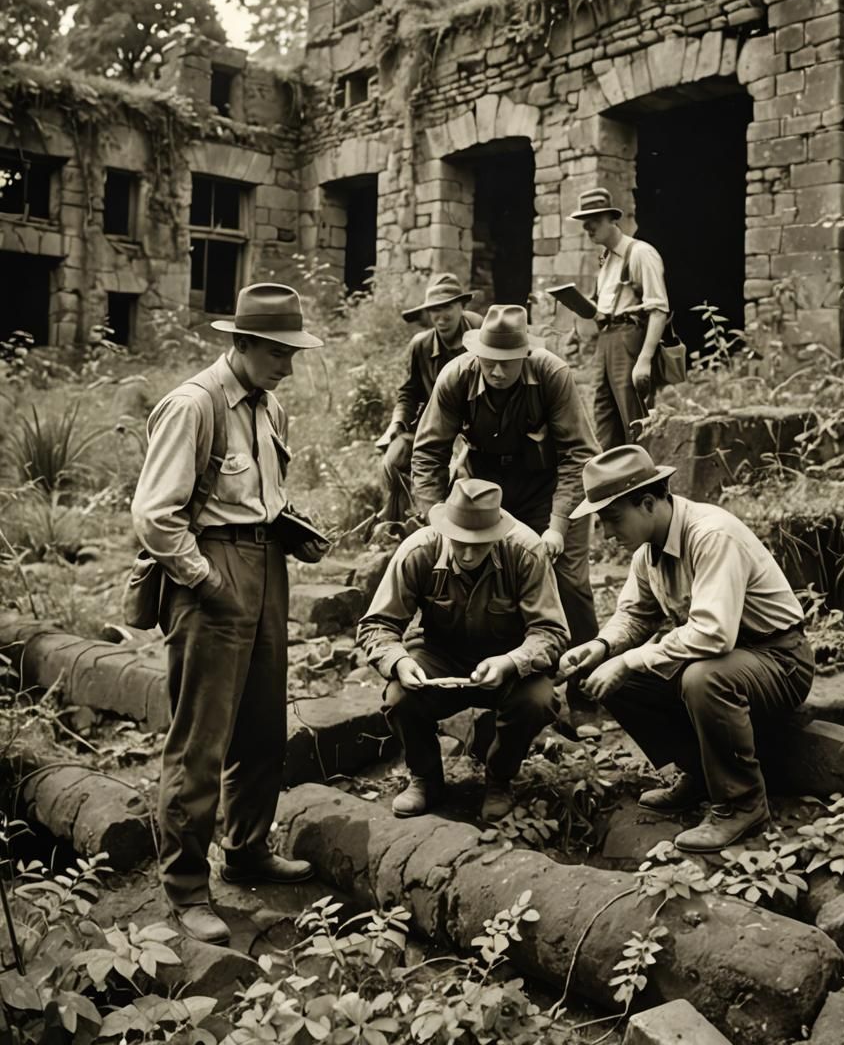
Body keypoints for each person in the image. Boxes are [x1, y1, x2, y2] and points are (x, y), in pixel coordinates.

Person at [131, 283, 323, 945]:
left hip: (265, 565)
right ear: (242, 344)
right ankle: (186, 890)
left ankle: (246, 847)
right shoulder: (193, 405)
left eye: (291, 353)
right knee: (200, 741)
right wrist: (205, 579)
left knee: (264, 728)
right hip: (210, 570)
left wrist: (291, 528)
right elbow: (155, 515)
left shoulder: (269, 407)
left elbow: (260, 495)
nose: (288, 366)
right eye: (278, 353)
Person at [557, 445, 814, 852]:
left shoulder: (710, 534)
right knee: (614, 680)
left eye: (611, 518)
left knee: (702, 677)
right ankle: (699, 775)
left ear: (646, 503)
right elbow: (635, 616)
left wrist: (629, 658)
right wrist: (602, 646)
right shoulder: (648, 552)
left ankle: (742, 803)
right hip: (724, 660)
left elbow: (714, 635)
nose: (607, 533)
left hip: (778, 659)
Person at [357, 478, 568, 821]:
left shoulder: (527, 552)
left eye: (480, 544)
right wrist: (398, 661)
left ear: (498, 534)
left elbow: (551, 632)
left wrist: (511, 662)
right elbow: (376, 625)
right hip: (441, 657)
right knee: (399, 697)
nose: (468, 554)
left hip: (510, 663)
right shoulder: (418, 551)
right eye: (460, 543)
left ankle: (500, 779)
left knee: (540, 700)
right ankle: (425, 778)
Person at [412, 303, 599, 646]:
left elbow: (580, 455)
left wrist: (557, 526)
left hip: (549, 487)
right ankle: (486, 677)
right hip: (482, 489)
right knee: (475, 574)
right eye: (489, 360)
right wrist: (434, 519)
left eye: (507, 362)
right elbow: (428, 454)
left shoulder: (552, 374)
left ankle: (583, 684)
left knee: (569, 582)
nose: (496, 371)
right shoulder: (456, 376)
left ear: (525, 354)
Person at [375, 273, 482, 525]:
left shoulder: (479, 335)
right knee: (393, 461)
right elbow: (408, 394)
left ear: (461, 307)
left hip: (474, 427)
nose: (441, 316)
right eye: (435, 309)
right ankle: (397, 523)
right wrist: (397, 425)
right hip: (432, 425)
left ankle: (460, 526)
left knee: (463, 472)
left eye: (447, 307)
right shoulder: (420, 346)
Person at [568, 188, 670, 450]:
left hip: (630, 339)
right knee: (603, 414)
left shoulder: (640, 253)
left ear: (611, 219)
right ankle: (611, 481)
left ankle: (644, 483)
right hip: (607, 340)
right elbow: (605, 306)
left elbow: (658, 309)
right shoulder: (606, 258)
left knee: (634, 416)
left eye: (594, 222)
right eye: (585, 224)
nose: (589, 229)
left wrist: (645, 360)